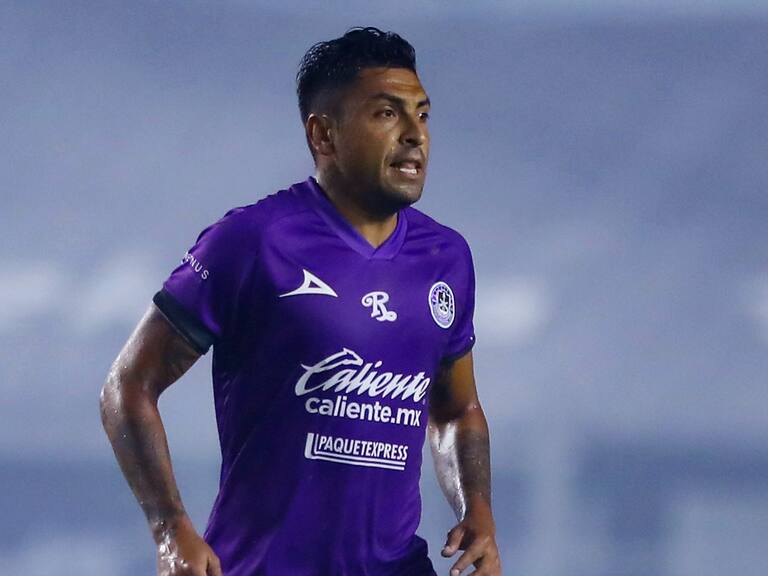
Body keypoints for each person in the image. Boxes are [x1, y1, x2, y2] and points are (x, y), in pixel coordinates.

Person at [100, 26, 501, 576]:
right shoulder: (253, 241)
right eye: (387, 113)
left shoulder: (447, 258)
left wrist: (476, 506)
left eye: (423, 115)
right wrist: (170, 528)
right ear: (323, 134)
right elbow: (128, 387)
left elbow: (457, 411)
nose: (416, 135)